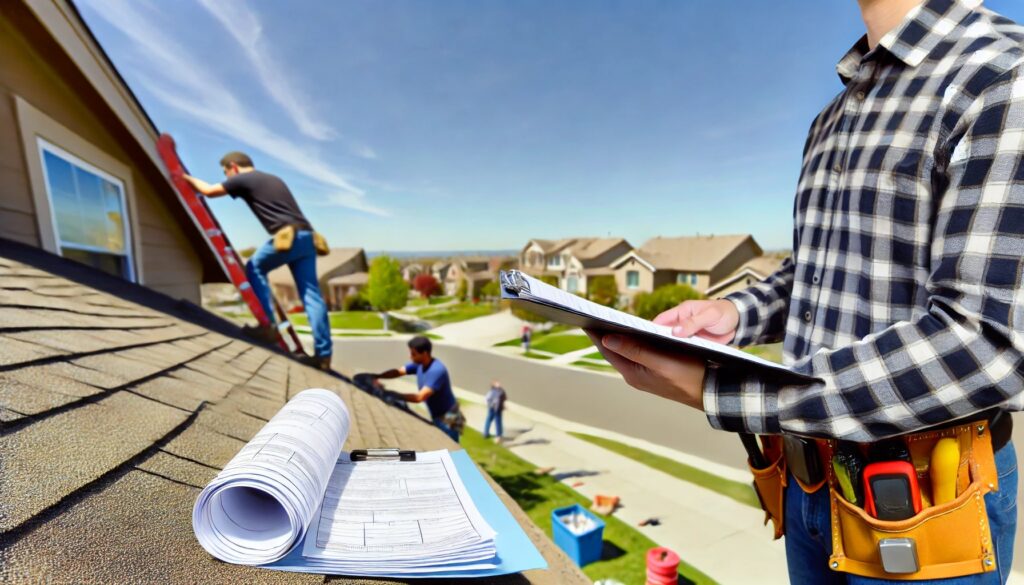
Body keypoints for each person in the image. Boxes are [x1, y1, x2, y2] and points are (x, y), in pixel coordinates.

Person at [589, 1, 1023, 582]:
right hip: (806, 484)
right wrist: (732, 314)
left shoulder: (1001, 73)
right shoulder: (832, 118)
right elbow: (820, 273)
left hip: (926, 504)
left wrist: (723, 389)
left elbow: (989, 345)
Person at [182, 152, 333, 371]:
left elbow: (208, 191)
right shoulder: (272, 178)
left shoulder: (244, 178)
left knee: (254, 267)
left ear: (233, 166)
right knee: (311, 296)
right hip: (308, 238)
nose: (227, 177)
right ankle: (323, 355)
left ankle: (268, 326)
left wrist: (185, 178)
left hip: (288, 237)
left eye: (226, 172)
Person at [376, 336, 463, 442]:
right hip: (438, 414)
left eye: (413, 354)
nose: (410, 357)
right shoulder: (419, 365)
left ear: (425, 354)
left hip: (449, 417)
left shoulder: (437, 370)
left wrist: (392, 394)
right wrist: (376, 376)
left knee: (452, 449)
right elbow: (398, 372)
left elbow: (419, 397)